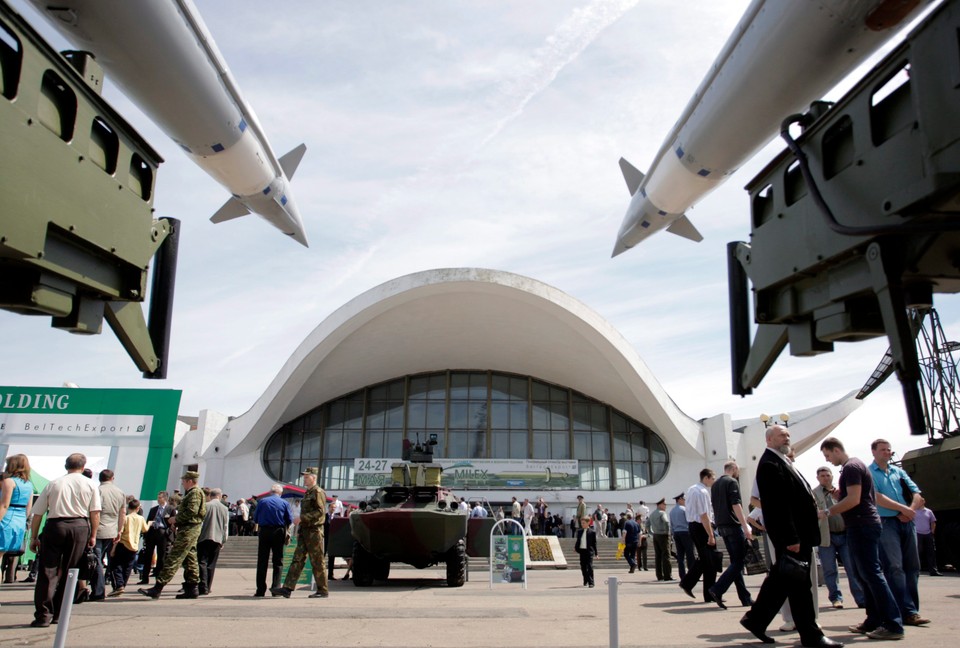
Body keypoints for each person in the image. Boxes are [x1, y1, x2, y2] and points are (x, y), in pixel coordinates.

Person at [739, 425, 842, 648]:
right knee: (798, 584)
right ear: (768, 440)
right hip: (793, 537)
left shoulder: (782, 461)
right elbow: (778, 506)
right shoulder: (769, 464)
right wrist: (791, 538)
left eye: (788, 434)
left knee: (784, 581)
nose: (787, 438)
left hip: (799, 535)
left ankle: (756, 620)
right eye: (781, 435)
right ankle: (810, 635)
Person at [820, 436, 904, 640]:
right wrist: (836, 493)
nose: (828, 460)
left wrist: (828, 512)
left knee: (872, 574)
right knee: (863, 574)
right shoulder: (856, 466)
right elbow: (859, 496)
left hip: (862, 525)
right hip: (862, 524)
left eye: (828, 455)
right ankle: (873, 619)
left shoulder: (850, 468)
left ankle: (893, 624)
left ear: (836, 450)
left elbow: (854, 499)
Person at [28, 453, 102, 628]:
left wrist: (33, 537)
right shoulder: (90, 484)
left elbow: (37, 514)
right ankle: (60, 614)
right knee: (71, 571)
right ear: (83, 467)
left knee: (48, 570)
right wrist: (93, 535)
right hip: (79, 526)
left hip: (55, 524)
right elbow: (95, 512)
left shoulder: (54, 483)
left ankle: (43, 614)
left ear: (65, 466)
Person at [869, 439, 928, 626]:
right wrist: (902, 510)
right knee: (894, 567)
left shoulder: (899, 472)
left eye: (889, 450)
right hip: (887, 523)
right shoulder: (870, 473)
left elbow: (917, 494)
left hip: (907, 522)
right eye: (883, 450)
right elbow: (877, 497)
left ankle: (912, 611)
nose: (887, 453)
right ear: (874, 452)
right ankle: (905, 610)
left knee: (912, 566)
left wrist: (909, 510)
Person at [138, 470, 206, 600]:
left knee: (174, 557)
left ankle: (158, 587)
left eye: (184, 481)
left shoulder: (195, 493)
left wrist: (176, 519)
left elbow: (192, 511)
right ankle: (193, 588)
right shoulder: (194, 493)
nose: (182, 483)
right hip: (189, 528)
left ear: (190, 481)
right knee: (190, 559)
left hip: (189, 530)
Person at [271, 467, 328, 599]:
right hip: (305, 530)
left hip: (314, 531)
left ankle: (323, 590)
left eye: (307, 477)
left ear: (314, 478)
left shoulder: (318, 492)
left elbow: (320, 512)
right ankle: (287, 588)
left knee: (317, 561)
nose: (305, 478)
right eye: (304, 476)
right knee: (297, 559)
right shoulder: (308, 493)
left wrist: (302, 518)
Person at [812, 465, 865, 609]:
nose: (825, 478)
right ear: (817, 478)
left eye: (827, 475)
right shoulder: (814, 494)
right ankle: (836, 598)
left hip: (845, 535)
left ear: (832, 476)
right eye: (822, 476)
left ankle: (860, 598)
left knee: (852, 568)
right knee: (829, 570)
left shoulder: (841, 492)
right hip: (827, 537)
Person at [709, 460, 754, 609]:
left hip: (722, 526)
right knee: (739, 562)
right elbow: (736, 504)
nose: (738, 472)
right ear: (733, 468)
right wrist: (745, 525)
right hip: (733, 526)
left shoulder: (715, 485)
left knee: (736, 562)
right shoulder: (732, 482)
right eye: (738, 469)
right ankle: (717, 588)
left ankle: (745, 597)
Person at [678, 468, 717, 603]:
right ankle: (706, 591)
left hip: (694, 526)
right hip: (701, 527)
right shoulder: (702, 491)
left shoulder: (691, 489)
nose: (713, 481)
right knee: (709, 560)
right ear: (706, 477)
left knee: (706, 559)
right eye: (712, 478)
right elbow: (704, 515)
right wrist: (711, 535)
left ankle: (704, 590)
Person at [90, 469, 125, 601]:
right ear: (112, 478)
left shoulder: (97, 491)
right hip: (112, 530)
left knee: (96, 560)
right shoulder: (120, 492)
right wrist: (119, 530)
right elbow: (122, 514)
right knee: (108, 558)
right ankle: (115, 584)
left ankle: (98, 591)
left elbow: (94, 512)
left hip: (98, 529)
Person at [252, 483, 293, 597]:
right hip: (278, 531)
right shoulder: (284, 503)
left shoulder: (262, 502)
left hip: (264, 531)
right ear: (280, 493)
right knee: (278, 561)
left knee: (262, 561)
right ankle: (275, 588)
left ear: (271, 492)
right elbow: (289, 519)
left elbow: (255, 518)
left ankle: (260, 590)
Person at [0, 455, 34, 591]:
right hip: (19, 521)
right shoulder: (29, 484)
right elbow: (29, 509)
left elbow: (4, 505)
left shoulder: (9, 482)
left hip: (6, 519)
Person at [107, 498, 148, 596]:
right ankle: (122, 585)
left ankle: (119, 585)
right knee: (128, 567)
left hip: (123, 543)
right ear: (138, 508)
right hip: (134, 545)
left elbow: (119, 533)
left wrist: (113, 548)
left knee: (116, 565)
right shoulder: (141, 518)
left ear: (128, 507)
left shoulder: (126, 518)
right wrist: (150, 524)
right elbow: (145, 529)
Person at [197, 487, 229, 595]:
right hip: (217, 538)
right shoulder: (224, 508)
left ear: (210, 496)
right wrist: (223, 540)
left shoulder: (206, 506)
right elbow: (226, 526)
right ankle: (208, 586)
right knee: (211, 563)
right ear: (220, 496)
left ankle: (202, 585)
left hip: (204, 537)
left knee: (202, 561)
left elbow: (200, 523)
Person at [139, 491, 169, 584]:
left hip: (163, 533)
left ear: (165, 498)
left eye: (160, 498)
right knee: (148, 555)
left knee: (161, 556)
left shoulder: (170, 509)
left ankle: (159, 578)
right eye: (158, 497)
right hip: (152, 533)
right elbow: (148, 521)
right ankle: (145, 578)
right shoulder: (153, 509)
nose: (158, 499)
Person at [646, 498, 672, 582]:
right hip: (663, 535)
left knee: (658, 556)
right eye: (664, 504)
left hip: (656, 535)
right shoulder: (662, 513)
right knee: (666, 555)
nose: (665, 506)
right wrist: (667, 532)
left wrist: (651, 532)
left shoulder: (652, 514)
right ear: (660, 505)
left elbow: (647, 524)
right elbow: (666, 522)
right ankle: (667, 575)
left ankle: (659, 575)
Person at [913, 498, 940, 576]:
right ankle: (916, 570)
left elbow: (933, 522)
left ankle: (933, 571)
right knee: (918, 552)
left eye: (921, 501)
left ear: (924, 502)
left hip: (928, 534)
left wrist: (932, 532)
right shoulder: (914, 511)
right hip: (917, 533)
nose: (919, 502)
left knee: (931, 552)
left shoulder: (929, 511)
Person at [670, 492, 694, 580]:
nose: (684, 501)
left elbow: (671, 525)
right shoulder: (684, 509)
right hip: (685, 533)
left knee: (680, 556)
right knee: (690, 554)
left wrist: (673, 534)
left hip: (676, 533)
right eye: (683, 499)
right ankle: (692, 574)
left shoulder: (672, 511)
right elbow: (689, 522)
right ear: (679, 499)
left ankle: (682, 575)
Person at [574, 516, 598, 587]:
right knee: (583, 567)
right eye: (581, 523)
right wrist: (576, 548)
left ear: (588, 523)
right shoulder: (579, 531)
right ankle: (585, 579)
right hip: (582, 551)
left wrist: (596, 553)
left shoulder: (592, 532)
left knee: (590, 566)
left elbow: (594, 543)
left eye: (584, 523)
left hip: (589, 552)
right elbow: (578, 541)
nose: (582, 524)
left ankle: (591, 582)